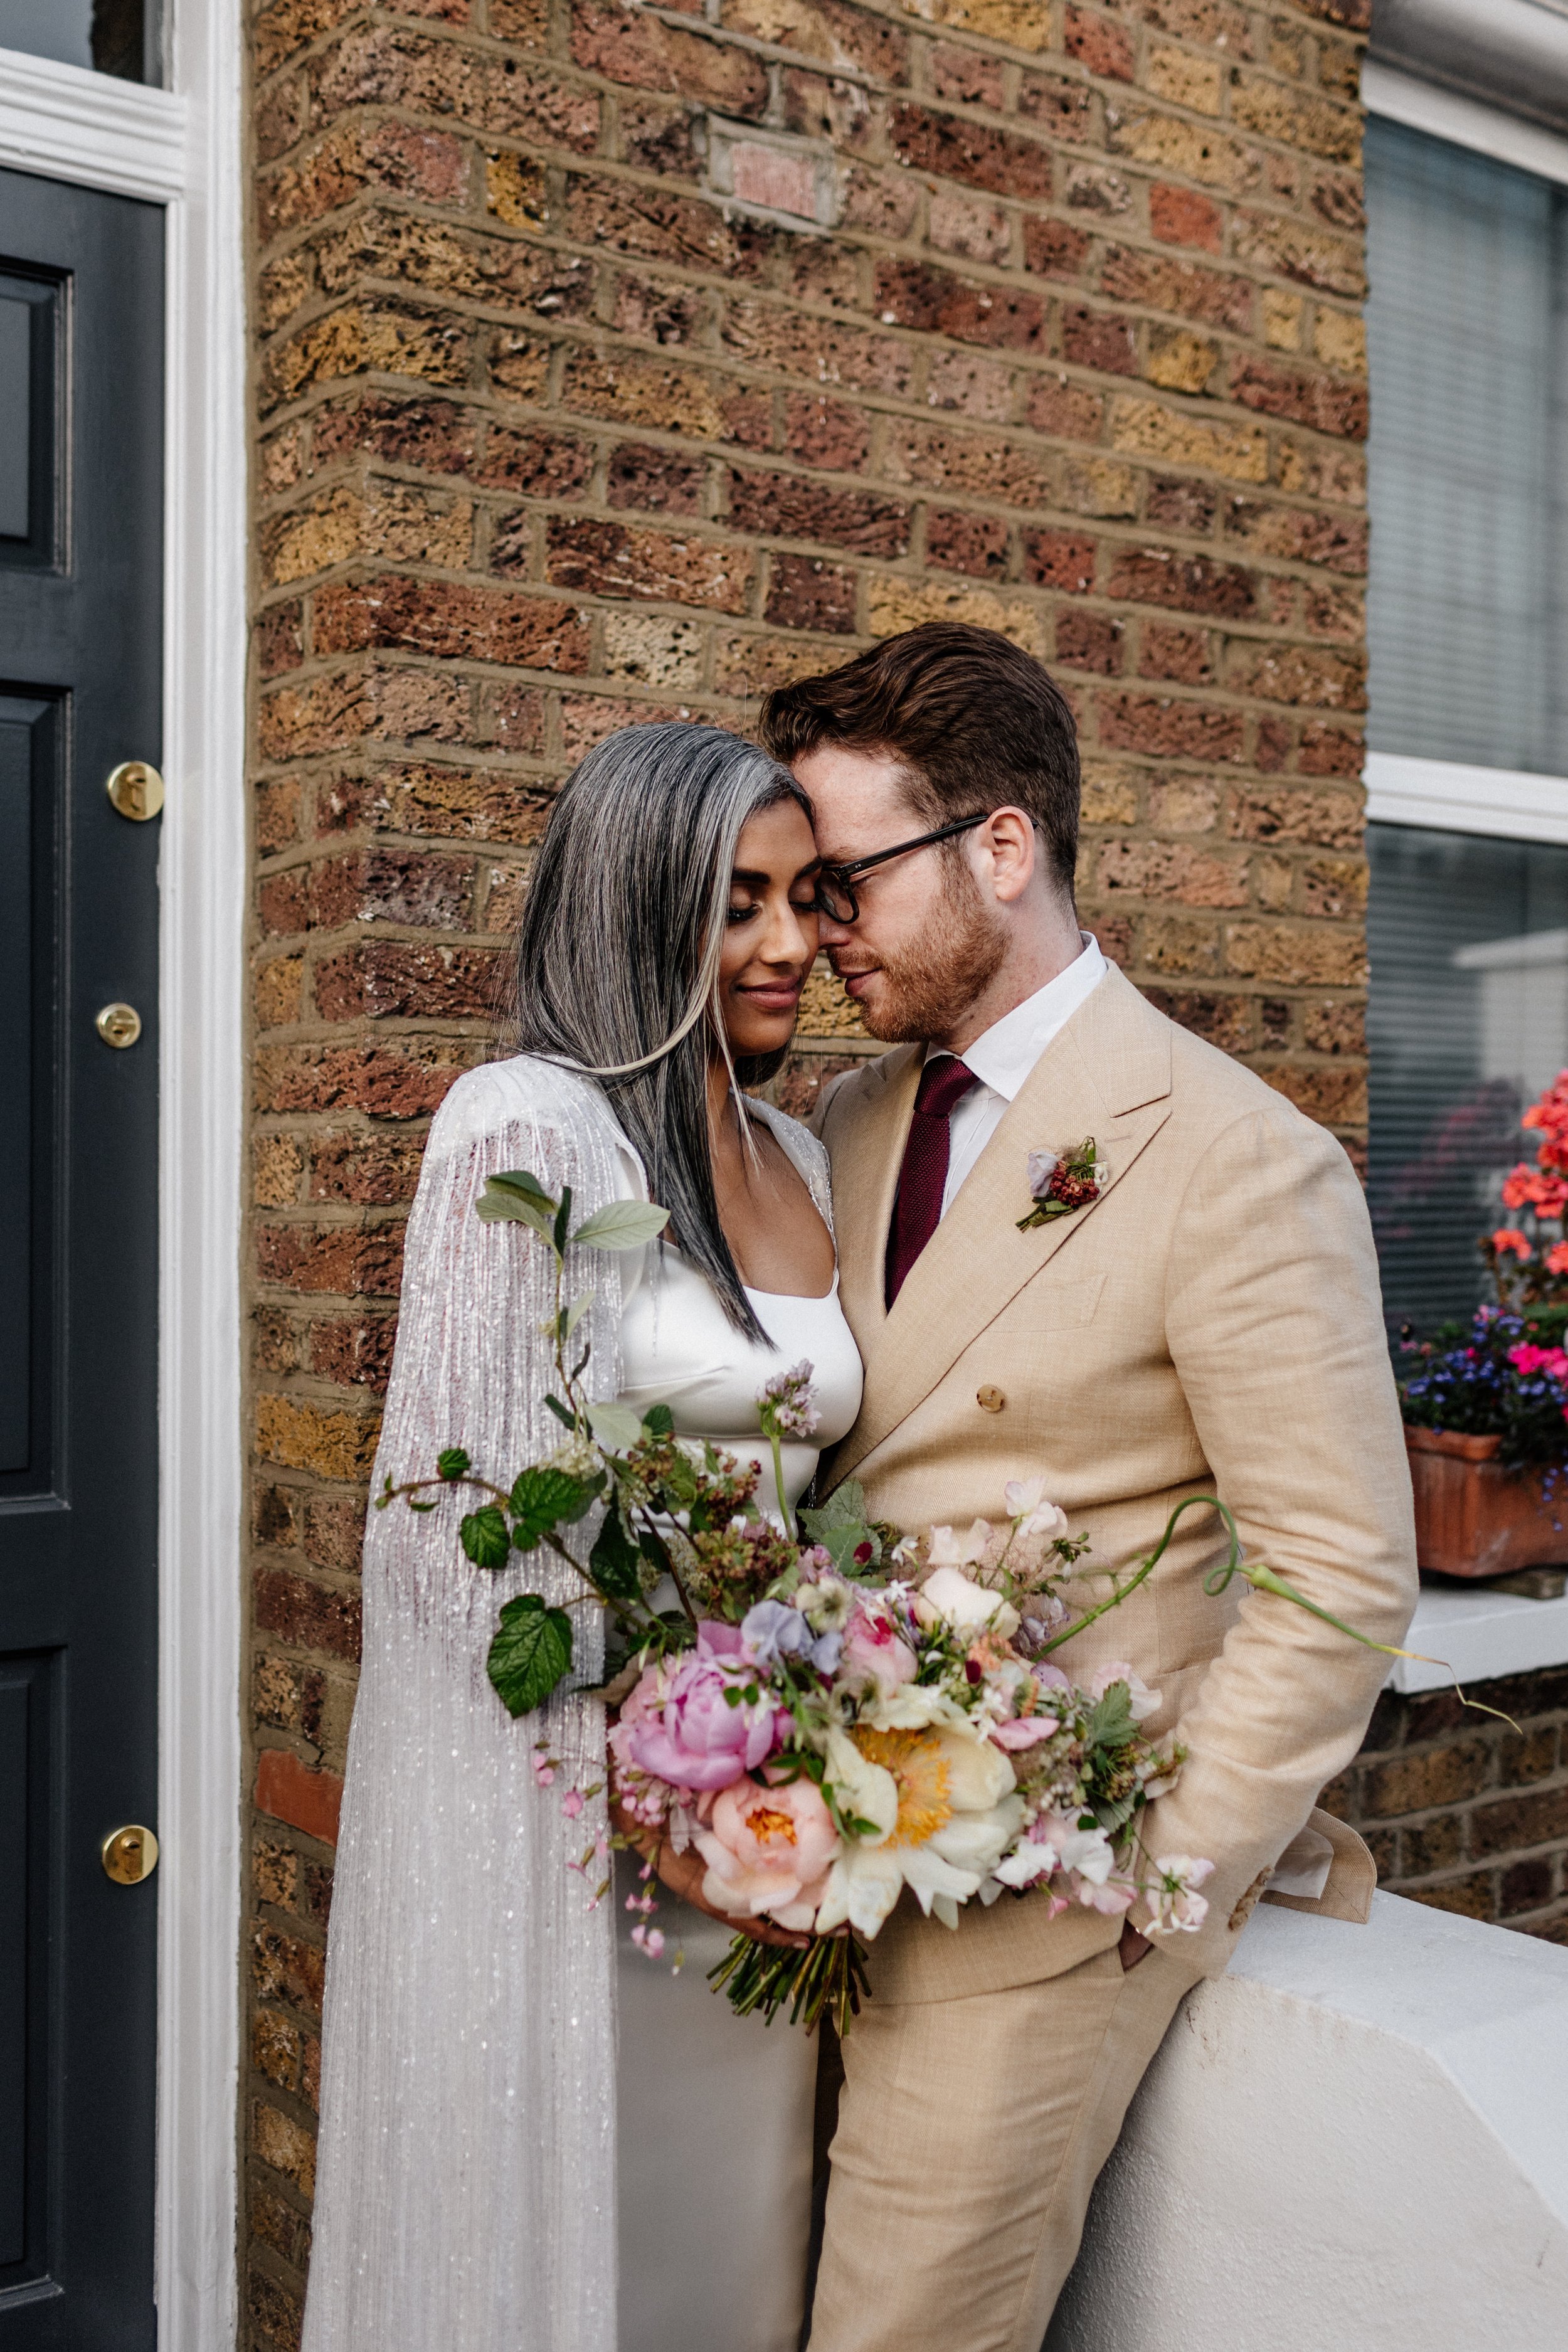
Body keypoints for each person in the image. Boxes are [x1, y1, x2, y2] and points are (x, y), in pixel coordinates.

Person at [758, 623, 1419, 2352]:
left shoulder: (1235, 1156)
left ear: (999, 846)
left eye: (844, 884)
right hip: (808, 1876)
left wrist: (1162, 1888)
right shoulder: (840, 1121)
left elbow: (1339, 1571)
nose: (817, 934)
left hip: (1035, 1920)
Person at [302, 724, 862, 2352]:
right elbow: (463, 1541)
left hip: (767, 1837)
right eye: (735, 901)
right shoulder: (532, 1130)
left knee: (729, 2271)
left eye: (808, 898)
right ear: (632, 903)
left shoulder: (803, 1154)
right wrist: (660, 1791)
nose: (786, 946)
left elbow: (819, 1507)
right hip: (576, 1845)